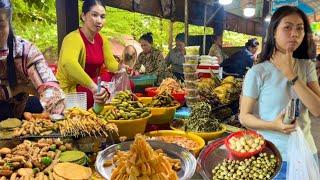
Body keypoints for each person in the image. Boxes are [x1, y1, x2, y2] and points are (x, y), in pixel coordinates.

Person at [239, 6, 320, 178]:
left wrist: (291, 75)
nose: (294, 33)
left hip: (305, 151)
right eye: (287, 27)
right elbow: (244, 117)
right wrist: (274, 125)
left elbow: (317, 110)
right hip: (272, 155)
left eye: (300, 28)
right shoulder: (258, 72)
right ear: (274, 31)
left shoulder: (307, 67)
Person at [0, 0, 64, 120]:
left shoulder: (26, 52)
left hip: (15, 121)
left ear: (8, 22)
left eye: (0, 25)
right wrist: (20, 88)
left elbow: (50, 88)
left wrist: (51, 99)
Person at [56, 0, 120, 109]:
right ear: (83, 16)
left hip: (93, 86)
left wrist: (123, 69)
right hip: (73, 91)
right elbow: (69, 63)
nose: (99, 21)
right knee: (103, 92)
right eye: (94, 15)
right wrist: (94, 87)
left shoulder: (102, 39)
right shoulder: (73, 38)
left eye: (102, 17)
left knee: (121, 79)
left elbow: (111, 64)